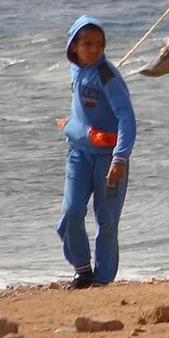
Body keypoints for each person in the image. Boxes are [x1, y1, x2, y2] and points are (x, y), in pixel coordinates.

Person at [58, 16, 137, 288]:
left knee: (107, 220)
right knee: (71, 212)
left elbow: (127, 118)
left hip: (109, 159)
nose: (93, 49)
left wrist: (120, 157)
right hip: (79, 154)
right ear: (73, 47)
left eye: (99, 44)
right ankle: (82, 269)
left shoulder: (107, 76)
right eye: (87, 44)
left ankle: (102, 279)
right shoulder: (75, 69)